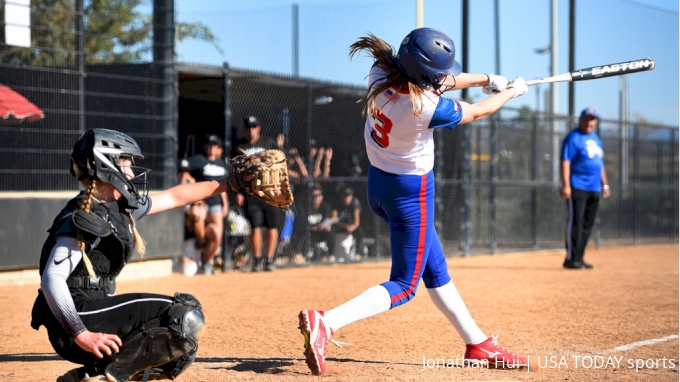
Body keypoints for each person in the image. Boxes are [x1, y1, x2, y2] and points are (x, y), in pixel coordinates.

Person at [297, 27, 530, 376]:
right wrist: (511, 91)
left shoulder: (383, 72)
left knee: (434, 268)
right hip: (411, 194)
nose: (443, 79)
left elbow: (439, 82)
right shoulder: (423, 107)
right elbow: (477, 112)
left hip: (379, 186)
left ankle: (477, 343)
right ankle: (326, 322)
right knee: (405, 286)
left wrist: (486, 77)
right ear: (424, 76)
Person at [29, 128, 237, 381]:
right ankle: (109, 374)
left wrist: (232, 182)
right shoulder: (84, 214)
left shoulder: (116, 208)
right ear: (105, 166)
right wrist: (80, 333)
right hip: (75, 323)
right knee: (183, 317)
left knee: (180, 349)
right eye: (126, 164)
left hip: (89, 315)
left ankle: (88, 377)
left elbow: (176, 196)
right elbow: (52, 279)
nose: (131, 172)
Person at [560, 107, 611, 269]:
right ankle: (571, 259)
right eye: (587, 119)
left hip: (594, 188)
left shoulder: (596, 139)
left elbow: (600, 164)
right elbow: (565, 161)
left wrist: (605, 184)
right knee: (576, 222)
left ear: (595, 122)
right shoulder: (573, 138)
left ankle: (580, 258)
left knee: (587, 225)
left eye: (592, 119)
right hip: (578, 186)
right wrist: (566, 185)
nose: (589, 122)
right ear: (581, 120)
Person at [232, 116, 284, 272]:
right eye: (248, 127)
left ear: (259, 128)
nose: (251, 130)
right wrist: (239, 192)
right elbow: (236, 171)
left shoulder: (269, 143)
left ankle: (269, 260)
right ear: (244, 129)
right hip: (251, 193)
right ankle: (257, 259)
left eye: (254, 127)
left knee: (272, 227)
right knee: (255, 226)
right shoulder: (240, 146)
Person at [187, 134, 229, 275]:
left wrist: (226, 204)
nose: (212, 148)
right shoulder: (199, 160)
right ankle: (202, 246)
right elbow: (184, 173)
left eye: (215, 145)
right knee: (203, 231)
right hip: (203, 202)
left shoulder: (222, 163)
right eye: (210, 145)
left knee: (217, 234)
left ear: (218, 148)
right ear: (206, 147)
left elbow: (222, 186)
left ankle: (207, 263)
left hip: (217, 203)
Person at [331, 186, 361, 263]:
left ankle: (357, 254)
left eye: (348, 196)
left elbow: (357, 221)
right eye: (344, 195)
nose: (346, 198)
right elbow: (334, 220)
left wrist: (353, 227)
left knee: (360, 233)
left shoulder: (355, 203)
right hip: (340, 225)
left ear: (351, 197)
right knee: (331, 231)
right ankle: (331, 255)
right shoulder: (336, 203)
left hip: (351, 226)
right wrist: (344, 226)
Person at [308, 183, 335, 261]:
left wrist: (327, 225)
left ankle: (331, 256)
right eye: (314, 196)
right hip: (309, 233)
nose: (317, 198)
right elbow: (302, 224)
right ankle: (300, 254)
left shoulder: (325, 206)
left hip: (321, 232)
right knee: (303, 233)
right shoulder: (306, 207)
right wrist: (317, 225)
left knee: (331, 230)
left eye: (319, 195)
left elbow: (327, 219)